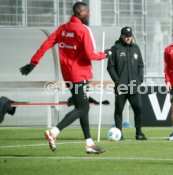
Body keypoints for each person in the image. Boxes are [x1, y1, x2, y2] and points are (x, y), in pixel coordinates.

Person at [19, 2, 112, 153]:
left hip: (68, 76)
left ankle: (89, 144)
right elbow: (91, 54)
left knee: (82, 108)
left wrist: (33, 63)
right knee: (83, 107)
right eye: (87, 11)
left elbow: (46, 44)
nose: (89, 14)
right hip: (80, 75)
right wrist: (105, 54)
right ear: (80, 12)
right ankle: (53, 132)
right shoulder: (83, 30)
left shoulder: (63, 29)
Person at [107, 26, 147, 140]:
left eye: (130, 36)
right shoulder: (115, 49)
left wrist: (140, 79)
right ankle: (119, 134)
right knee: (119, 110)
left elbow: (140, 65)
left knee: (138, 108)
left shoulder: (135, 48)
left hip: (134, 85)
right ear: (121, 36)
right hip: (121, 86)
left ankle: (139, 133)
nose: (128, 38)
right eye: (126, 36)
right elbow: (110, 67)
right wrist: (117, 81)